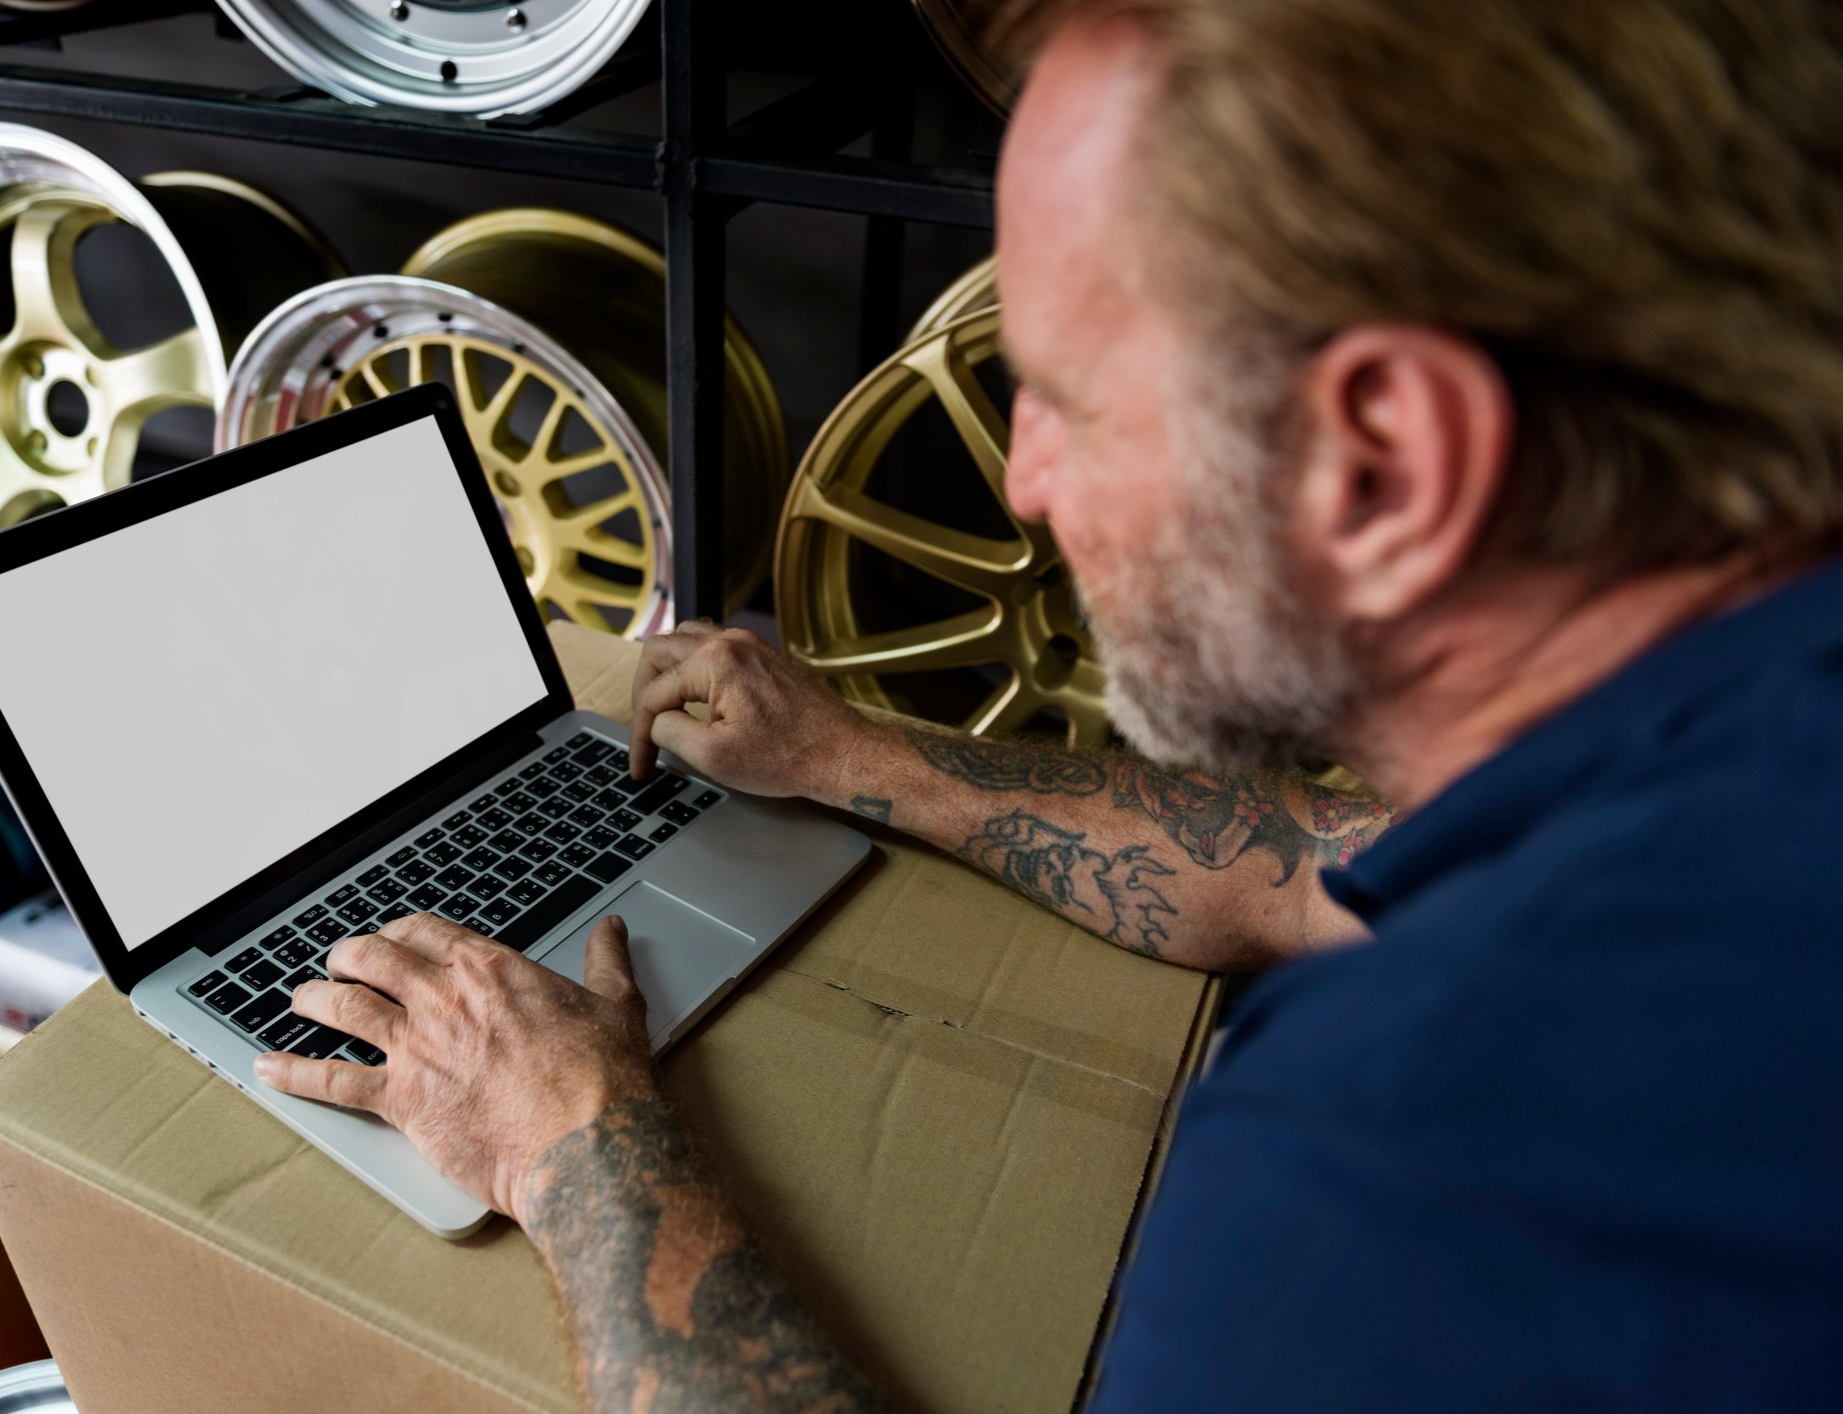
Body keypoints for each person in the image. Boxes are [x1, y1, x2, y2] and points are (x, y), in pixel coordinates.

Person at [256, 0, 1843, 1406]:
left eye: (1070, 404)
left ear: (1387, 460)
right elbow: (1317, 863)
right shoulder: (1748, 751)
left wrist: (570, 1138)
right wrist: (855, 754)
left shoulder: (1413, 1180)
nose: (1021, 482)